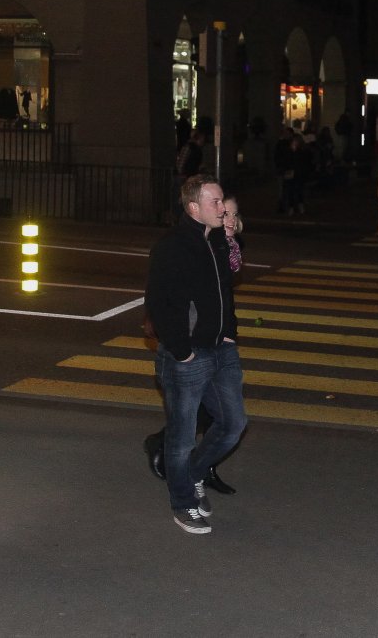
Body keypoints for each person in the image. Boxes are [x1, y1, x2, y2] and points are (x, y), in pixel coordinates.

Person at [143, 175, 247, 535]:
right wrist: (182, 350)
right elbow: (159, 302)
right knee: (182, 437)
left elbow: (225, 290)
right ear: (193, 208)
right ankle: (184, 504)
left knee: (233, 424)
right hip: (188, 356)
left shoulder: (216, 239)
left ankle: (193, 475)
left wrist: (229, 331)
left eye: (222, 201)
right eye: (215, 202)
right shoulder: (172, 246)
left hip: (222, 349)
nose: (223, 208)